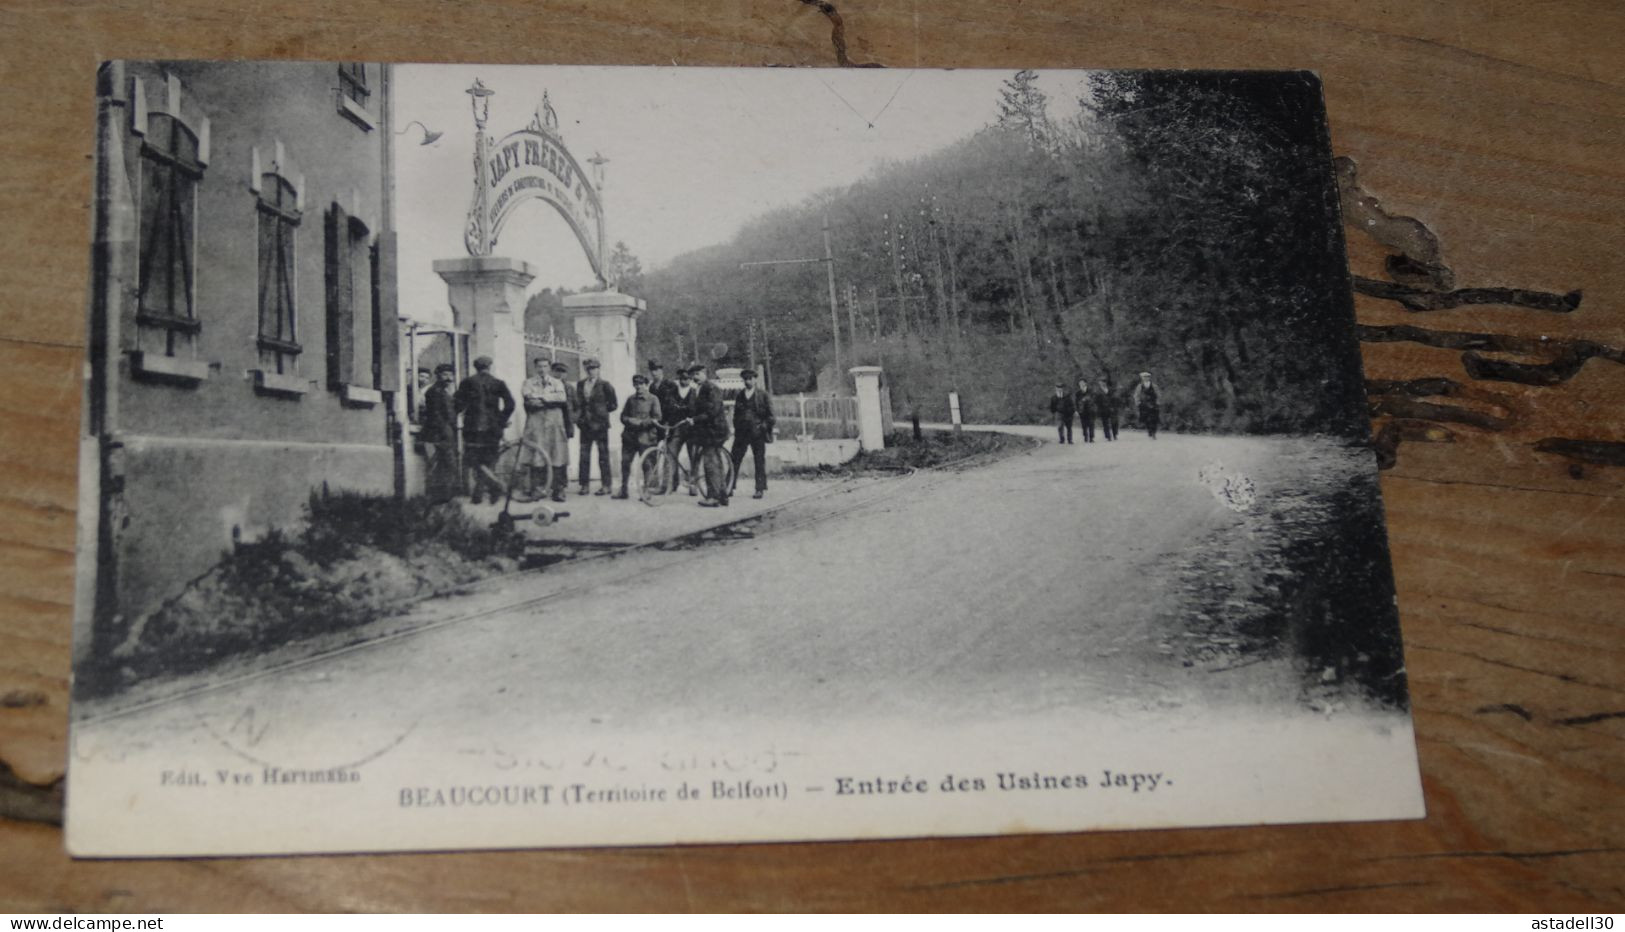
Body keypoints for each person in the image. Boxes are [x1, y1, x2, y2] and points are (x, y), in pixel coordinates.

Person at [454, 355, 515, 505]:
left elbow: (458, 405)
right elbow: (510, 404)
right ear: (490, 367)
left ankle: (480, 492)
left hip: (472, 428)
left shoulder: (467, 382)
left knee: (474, 460)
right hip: (493, 428)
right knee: (490, 459)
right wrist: (501, 420)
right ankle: (490, 490)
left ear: (475, 367)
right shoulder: (498, 383)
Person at [521, 357, 575, 503]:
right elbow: (528, 399)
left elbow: (561, 398)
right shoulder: (528, 382)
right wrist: (549, 400)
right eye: (539, 367)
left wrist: (541, 398)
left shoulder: (557, 383)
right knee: (537, 456)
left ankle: (558, 490)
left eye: (545, 366)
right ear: (535, 368)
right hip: (537, 425)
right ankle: (537, 489)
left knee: (557, 455)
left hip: (554, 425)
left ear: (549, 368)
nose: (542, 369)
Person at [688, 363, 731, 507]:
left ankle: (713, 497)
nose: (695, 377)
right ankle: (723, 496)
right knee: (716, 463)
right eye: (693, 375)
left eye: (698, 374)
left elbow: (712, 412)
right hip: (708, 432)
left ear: (705, 373)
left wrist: (694, 419)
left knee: (710, 464)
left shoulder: (712, 388)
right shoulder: (697, 390)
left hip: (714, 432)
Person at [615, 374, 664, 499]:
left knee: (647, 465)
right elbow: (623, 416)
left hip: (646, 437)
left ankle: (647, 491)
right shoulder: (630, 399)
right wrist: (630, 420)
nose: (638, 387)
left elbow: (657, 417)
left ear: (646, 385)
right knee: (625, 463)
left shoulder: (653, 399)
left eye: (641, 384)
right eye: (636, 384)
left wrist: (642, 423)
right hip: (629, 437)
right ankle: (623, 490)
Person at [729, 367, 775, 499]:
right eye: (745, 379)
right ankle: (729, 486)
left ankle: (759, 489)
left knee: (759, 461)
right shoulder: (739, 395)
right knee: (734, 460)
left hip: (757, 433)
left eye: (750, 379)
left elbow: (771, 417)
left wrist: (763, 427)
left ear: (755, 379)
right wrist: (737, 427)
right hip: (741, 433)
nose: (747, 381)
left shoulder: (763, 395)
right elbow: (736, 415)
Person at [575, 358, 618, 496]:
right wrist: (581, 418)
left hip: (600, 425)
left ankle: (606, 485)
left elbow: (613, 404)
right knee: (584, 456)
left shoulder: (605, 385)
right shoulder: (581, 384)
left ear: (599, 369)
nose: (591, 371)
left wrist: (601, 413)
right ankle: (584, 485)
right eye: (589, 369)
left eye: (594, 368)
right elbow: (579, 403)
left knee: (603, 456)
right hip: (585, 425)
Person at [420, 364, 459, 503]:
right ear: (438, 375)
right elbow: (436, 415)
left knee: (445, 464)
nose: (448, 378)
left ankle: (443, 496)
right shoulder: (434, 391)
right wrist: (446, 431)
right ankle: (439, 496)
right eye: (445, 375)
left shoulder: (444, 391)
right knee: (445, 464)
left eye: (450, 375)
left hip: (446, 432)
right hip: (438, 434)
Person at [662, 366, 699, 496]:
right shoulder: (672, 392)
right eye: (682, 378)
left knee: (694, 457)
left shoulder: (695, 392)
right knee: (671, 454)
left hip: (691, 430)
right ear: (678, 379)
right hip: (676, 428)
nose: (685, 380)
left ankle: (693, 484)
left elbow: (696, 410)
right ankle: (671, 484)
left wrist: (685, 412)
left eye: (688, 378)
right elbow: (668, 408)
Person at [1133, 371, 1161, 439]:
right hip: (1144, 404)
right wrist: (1138, 402)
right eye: (1144, 377)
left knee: (1154, 419)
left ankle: (1153, 432)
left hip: (1153, 404)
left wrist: (1158, 402)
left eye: (1147, 377)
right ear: (1142, 378)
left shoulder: (1154, 386)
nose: (1146, 378)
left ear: (1149, 378)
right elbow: (1136, 395)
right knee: (1146, 419)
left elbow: (1158, 394)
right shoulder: (1140, 386)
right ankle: (1149, 431)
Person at [1096, 376, 1119, 441]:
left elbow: (1114, 399)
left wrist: (1114, 407)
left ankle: (1115, 434)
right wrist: (1099, 409)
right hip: (1103, 409)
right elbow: (1097, 401)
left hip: (1111, 408)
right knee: (1105, 423)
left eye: (1104, 382)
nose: (1103, 383)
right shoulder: (1098, 392)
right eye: (1101, 382)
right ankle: (1108, 436)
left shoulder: (1110, 389)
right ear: (1099, 383)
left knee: (1114, 422)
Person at [1073, 377, 1096, 443]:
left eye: (1082, 383)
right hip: (1082, 411)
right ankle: (1085, 436)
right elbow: (1076, 402)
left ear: (1085, 383)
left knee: (1091, 423)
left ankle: (1091, 438)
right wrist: (1076, 410)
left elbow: (1093, 399)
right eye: (1080, 383)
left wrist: (1087, 400)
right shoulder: (1078, 393)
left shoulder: (1090, 391)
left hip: (1090, 410)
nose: (1081, 384)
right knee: (1084, 424)